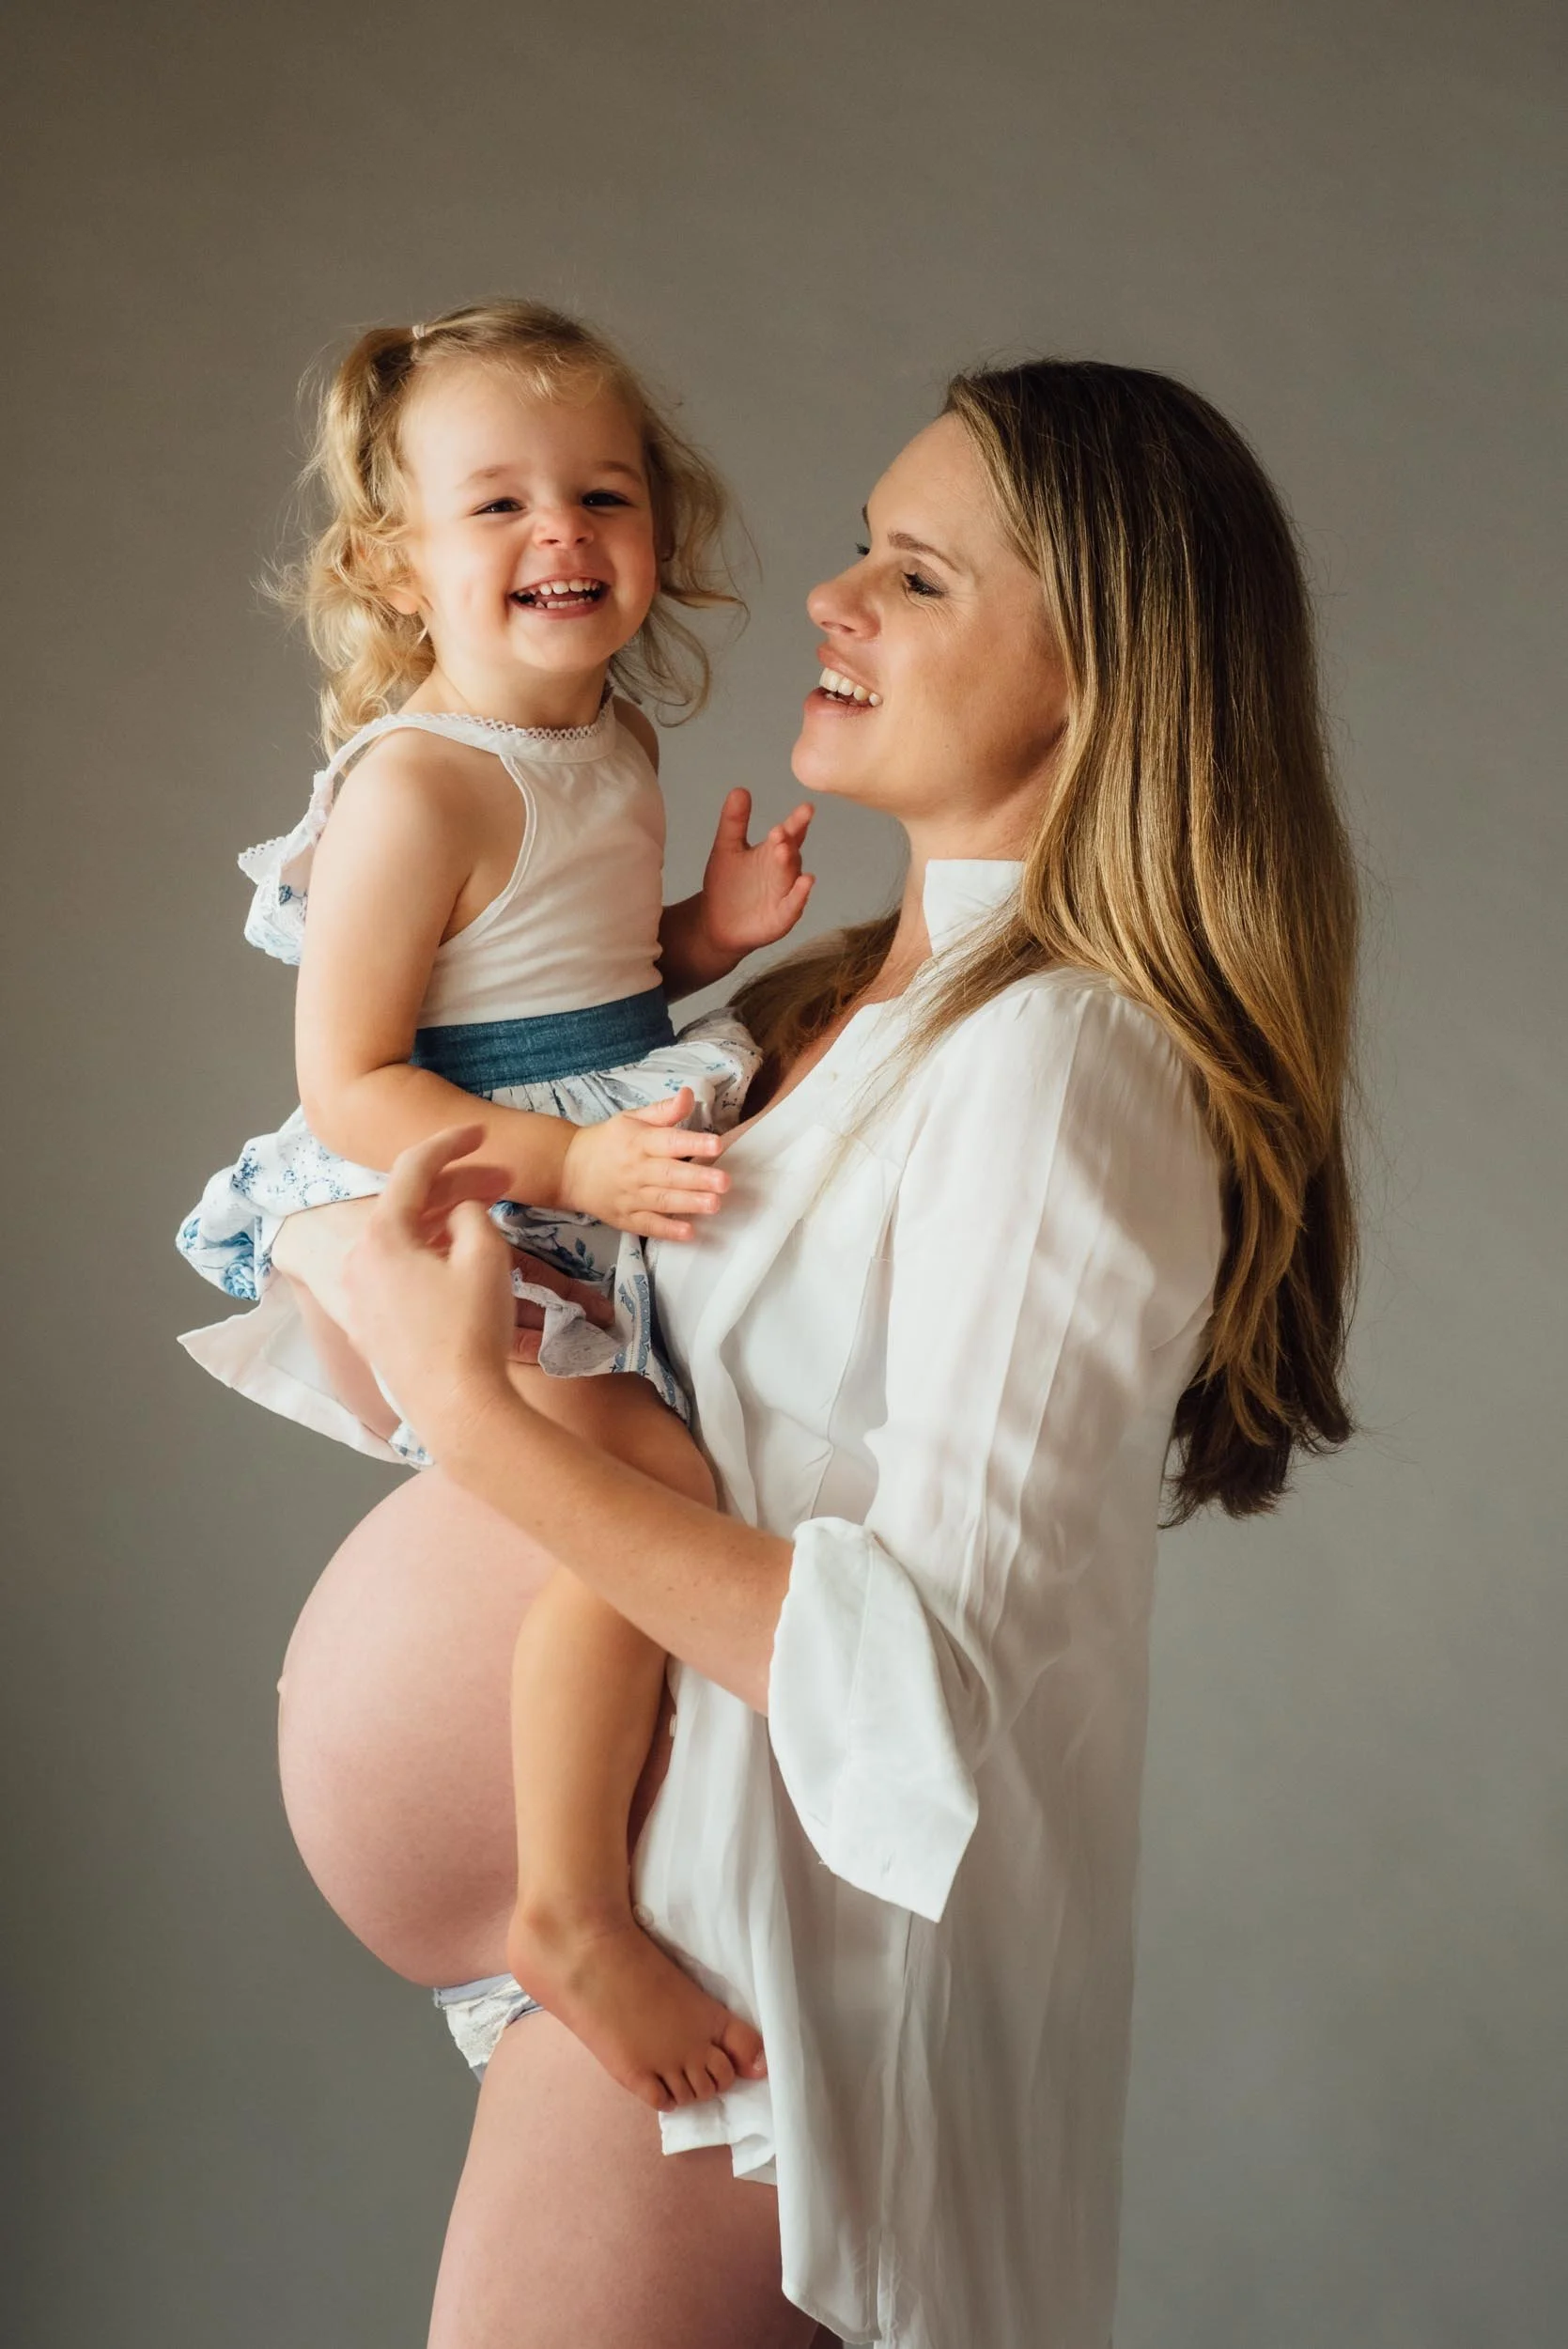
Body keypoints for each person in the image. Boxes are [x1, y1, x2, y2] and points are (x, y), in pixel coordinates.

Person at [279, 358, 1359, 2348]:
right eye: (860, 545)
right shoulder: (837, 1006)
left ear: (1108, 667)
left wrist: (467, 1418)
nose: (833, 598)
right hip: (654, 1948)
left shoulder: (1063, 1059)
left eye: (921, 576)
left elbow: (932, 1672)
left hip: (751, 1987)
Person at [176, 300, 818, 2106]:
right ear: (393, 568)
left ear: (660, 536)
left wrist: (705, 943)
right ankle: (566, 1910)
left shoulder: (606, 743)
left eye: (605, 496)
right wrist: (571, 1171)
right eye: (499, 506)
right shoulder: (419, 787)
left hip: (544, 1159)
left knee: (638, 1494)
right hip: (442, 1197)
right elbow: (354, 1082)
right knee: (647, 1495)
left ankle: (599, 1873)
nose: (565, 536)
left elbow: (562, 983)